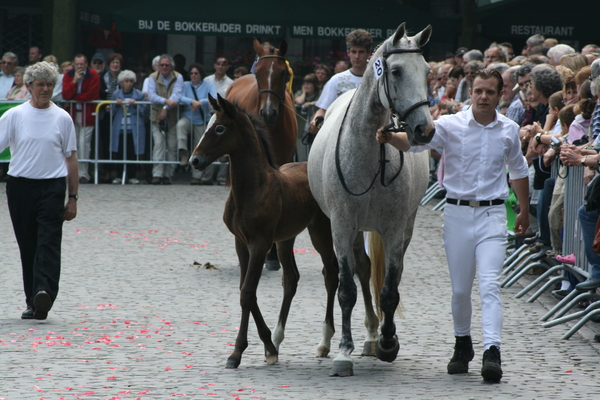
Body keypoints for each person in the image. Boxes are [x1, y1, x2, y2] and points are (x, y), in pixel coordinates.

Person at [376, 69, 530, 383]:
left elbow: (518, 169)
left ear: (500, 95)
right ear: (470, 93)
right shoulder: (451, 124)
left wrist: (524, 209)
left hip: (493, 215)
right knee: (460, 290)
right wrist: (391, 137)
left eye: (489, 92)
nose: (483, 97)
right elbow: (417, 142)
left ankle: (492, 351)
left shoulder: (509, 130)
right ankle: (463, 344)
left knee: (489, 285)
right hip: (458, 215)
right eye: (478, 91)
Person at [0, 61, 78, 320]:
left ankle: (44, 292)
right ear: (29, 86)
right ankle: (32, 300)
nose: (45, 89)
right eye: (40, 84)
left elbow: (72, 158)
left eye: (49, 84)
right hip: (20, 186)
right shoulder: (14, 115)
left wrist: (73, 197)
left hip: (52, 187)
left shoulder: (62, 118)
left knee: (48, 242)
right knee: (28, 244)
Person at [309, 29, 373, 134]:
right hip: (340, 134)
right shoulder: (336, 80)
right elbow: (322, 110)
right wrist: (315, 121)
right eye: (354, 52)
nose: (357, 56)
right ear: (348, 53)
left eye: (361, 52)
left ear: (369, 53)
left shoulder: (378, 78)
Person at [175, 63, 216, 185]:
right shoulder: (186, 85)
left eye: (196, 73)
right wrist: (192, 101)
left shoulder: (208, 84)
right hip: (188, 117)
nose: (193, 75)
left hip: (201, 120)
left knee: (200, 147)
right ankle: (183, 152)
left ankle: (196, 176)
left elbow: (213, 97)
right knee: (180, 125)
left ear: (201, 75)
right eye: (191, 73)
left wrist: (200, 103)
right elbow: (179, 97)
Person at [62, 54, 100, 184]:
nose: (79, 67)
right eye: (77, 64)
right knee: (73, 145)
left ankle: (83, 174)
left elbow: (91, 95)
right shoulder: (69, 76)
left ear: (86, 64)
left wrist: (74, 98)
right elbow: (66, 95)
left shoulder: (93, 75)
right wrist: (74, 82)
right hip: (72, 114)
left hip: (87, 113)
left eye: (82, 64)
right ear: (74, 64)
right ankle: (72, 174)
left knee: (84, 144)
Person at [147, 54, 183, 185]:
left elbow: (177, 95)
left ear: (171, 66)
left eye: (167, 65)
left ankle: (168, 174)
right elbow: (151, 95)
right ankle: (157, 174)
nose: (164, 67)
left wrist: (166, 107)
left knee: (172, 146)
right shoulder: (152, 77)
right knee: (158, 145)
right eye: (162, 65)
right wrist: (166, 102)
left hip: (172, 117)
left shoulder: (178, 76)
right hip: (156, 117)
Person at [110, 70, 146, 184]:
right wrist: (116, 104)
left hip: (134, 128)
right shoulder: (116, 94)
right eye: (126, 81)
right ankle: (119, 175)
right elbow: (111, 112)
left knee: (132, 152)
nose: (129, 84)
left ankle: (132, 175)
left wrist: (136, 105)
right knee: (119, 151)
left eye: (131, 81)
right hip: (120, 128)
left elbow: (144, 111)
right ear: (121, 82)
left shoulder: (139, 95)